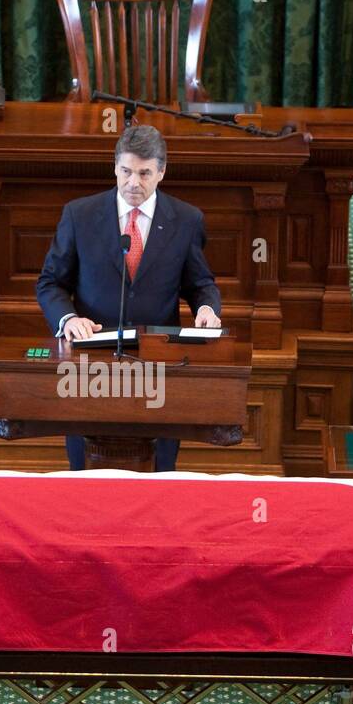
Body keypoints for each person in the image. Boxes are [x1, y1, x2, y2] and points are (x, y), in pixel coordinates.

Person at [36, 124, 222, 471]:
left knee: (158, 477)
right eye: (126, 171)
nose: (133, 182)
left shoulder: (186, 220)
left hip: (159, 366)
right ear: (115, 167)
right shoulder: (80, 215)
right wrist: (68, 319)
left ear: (162, 172)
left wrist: (208, 309)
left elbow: (199, 284)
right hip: (92, 362)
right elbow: (51, 282)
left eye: (144, 173)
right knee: (89, 480)